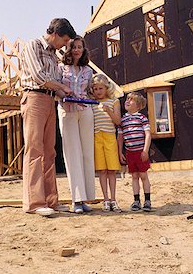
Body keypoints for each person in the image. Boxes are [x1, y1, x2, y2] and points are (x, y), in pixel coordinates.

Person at [19, 18, 77, 216]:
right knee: (34, 150)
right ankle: (34, 203)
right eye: (64, 41)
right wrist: (61, 87)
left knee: (49, 152)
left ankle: (51, 201)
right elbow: (39, 76)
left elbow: (57, 83)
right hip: (34, 97)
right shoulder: (33, 45)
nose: (65, 45)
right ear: (56, 34)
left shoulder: (54, 55)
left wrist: (70, 95)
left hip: (50, 100)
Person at [57, 35, 95, 214]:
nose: (77, 50)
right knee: (72, 154)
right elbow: (56, 89)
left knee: (87, 152)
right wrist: (64, 99)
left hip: (86, 111)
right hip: (68, 111)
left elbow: (90, 91)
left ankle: (86, 198)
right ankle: (76, 200)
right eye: (74, 47)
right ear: (69, 49)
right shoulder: (60, 68)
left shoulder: (88, 70)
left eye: (80, 47)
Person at [90, 74, 122, 212]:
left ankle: (113, 199)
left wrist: (108, 110)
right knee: (102, 170)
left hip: (109, 137)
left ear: (106, 88)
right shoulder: (91, 103)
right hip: (97, 137)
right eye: (95, 88)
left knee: (112, 170)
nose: (98, 91)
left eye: (100, 88)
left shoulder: (114, 101)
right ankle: (105, 199)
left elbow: (118, 121)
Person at [117, 92, 152, 212]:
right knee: (134, 176)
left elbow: (148, 134)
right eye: (127, 99)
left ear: (138, 105)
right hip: (129, 153)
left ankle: (147, 200)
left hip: (140, 152)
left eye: (131, 100)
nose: (127, 101)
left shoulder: (142, 118)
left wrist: (145, 150)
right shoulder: (123, 119)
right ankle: (136, 201)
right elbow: (120, 137)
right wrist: (120, 152)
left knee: (143, 175)